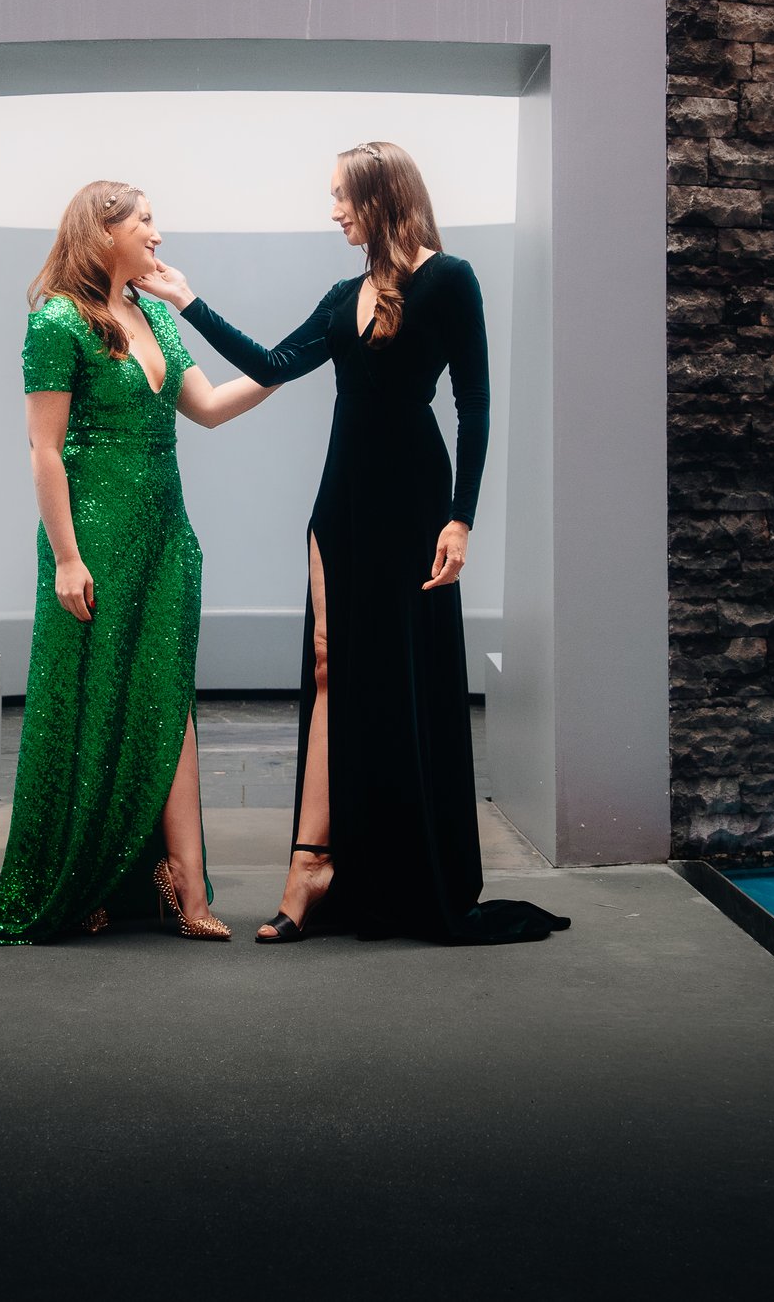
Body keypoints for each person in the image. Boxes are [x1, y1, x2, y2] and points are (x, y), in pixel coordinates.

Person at [139, 142, 569, 945]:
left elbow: (474, 404)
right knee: (328, 665)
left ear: (380, 195)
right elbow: (272, 362)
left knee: (402, 675)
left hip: (416, 503)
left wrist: (462, 518)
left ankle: (396, 861)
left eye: (342, 195)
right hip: (341, 502)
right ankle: (311, 864)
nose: (333, 209)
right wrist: (188, 301)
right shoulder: (343, 296)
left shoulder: (451, 279)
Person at [0, 180, 275, 946]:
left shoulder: (155, 315)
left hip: (164, 538)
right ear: (102, 232)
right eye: (145, 221)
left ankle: (185, 881)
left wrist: (288, 365)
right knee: (89, 706)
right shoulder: (57, 320)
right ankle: (83, 874)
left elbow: (209, 407)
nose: (157, 233)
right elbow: (44, 449)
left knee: (169, 700)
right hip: (91, 541)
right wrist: (65, 556)